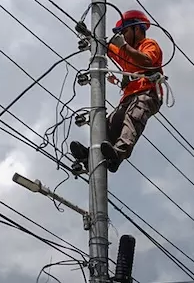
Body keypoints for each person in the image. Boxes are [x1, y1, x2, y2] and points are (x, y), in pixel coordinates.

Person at [69, 9, 164, 173]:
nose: (123, 35)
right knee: (111, 123)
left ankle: (117, 154)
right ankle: (92, 155)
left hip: (147, 93)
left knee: (133, 117)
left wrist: (125, 47)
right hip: (129, 96)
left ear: (137, 29)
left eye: (125, 31)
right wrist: (88, 34)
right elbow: (104, 46)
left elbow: (147, 61)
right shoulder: (124, 51)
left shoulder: (148, 45)